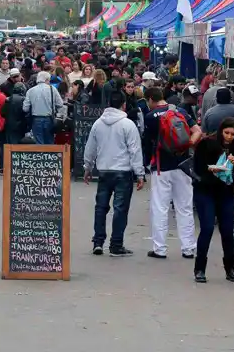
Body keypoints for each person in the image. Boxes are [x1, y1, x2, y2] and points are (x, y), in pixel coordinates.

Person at [143, 87, 202, 260]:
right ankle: (188, 248)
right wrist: (186, 145)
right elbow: (198, 131)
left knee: (160, 208)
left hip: (161, 166)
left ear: (150, 99)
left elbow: (148, 142)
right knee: (184, 207)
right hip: (183, 166)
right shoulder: (181, 111)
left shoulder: (150, 117)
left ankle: (160, 249)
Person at [83, 91, 145, 257]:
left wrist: (87, 167)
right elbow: (135, 150)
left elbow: (90, 147)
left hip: (104, 170)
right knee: (120, 209)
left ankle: (98, 241)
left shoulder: (98, 124)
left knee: (100, 208)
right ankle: (116, 244)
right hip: (123, 171)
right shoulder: (128, 124)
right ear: (123, 104)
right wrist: (140, 173)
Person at [192, 117, 234, 283]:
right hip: (206, 191)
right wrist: (211, 169)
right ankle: (200, 268)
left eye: (233, 134)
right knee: (207, 228)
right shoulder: (207, 143)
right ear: (221, 131)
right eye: (227, 133)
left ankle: (230, 268)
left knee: (227, 231)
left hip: (226, 192)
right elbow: (197, 167)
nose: (229, 137)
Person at [23, 71, 64, 145]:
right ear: (47, 80)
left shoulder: (30, 91)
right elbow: (60, 104)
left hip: (36, 119)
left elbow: (25, 108)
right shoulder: (52, 89)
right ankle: (49, 155)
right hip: (49, 119)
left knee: (39, 143)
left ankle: (40, 155)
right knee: (49, 142)